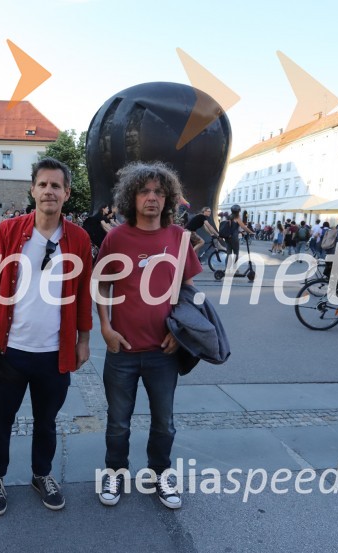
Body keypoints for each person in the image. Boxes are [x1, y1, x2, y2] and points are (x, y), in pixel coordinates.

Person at [0, 157, 92, 516]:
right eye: (43, 184)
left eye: (56, 186)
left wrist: (84, 339)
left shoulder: (78, 239)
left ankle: (42, 474)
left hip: (55, 352)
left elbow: (84, 293)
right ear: (33, 190)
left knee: (46, 421)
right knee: (1, 418)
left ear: (66, 193)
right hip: (9, 349)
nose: (49, 191)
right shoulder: (9, 231)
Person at [96, 161, 202, 510]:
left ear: (168, 198)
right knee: (118, 422)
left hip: (164, 351)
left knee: (164, 423)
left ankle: (160, 474)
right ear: (132, 196)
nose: (152, 198)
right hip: (122, 349)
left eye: (159, 192)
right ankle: (115, 471)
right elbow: (100, 285)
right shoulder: (116, 237)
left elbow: (188, 291)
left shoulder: (178, 238)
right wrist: (106, 327)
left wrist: (182, 332)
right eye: (145, 191)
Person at [223, 205, 255, 269]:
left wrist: (241, 232)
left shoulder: (228, 217)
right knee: (236, 253)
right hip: (234, 238)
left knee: (228, 254)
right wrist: (251, 232)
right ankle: (234, 269)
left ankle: (227, 268)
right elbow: (243, 227)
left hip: (227, 237)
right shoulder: (237, 218)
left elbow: (232, 228)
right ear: (238, 211)